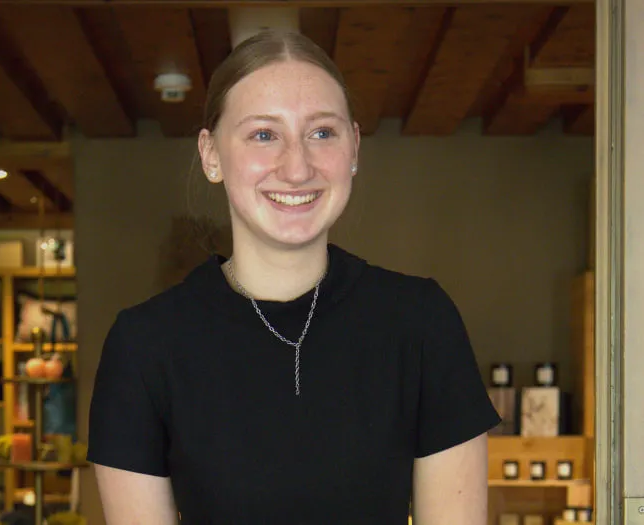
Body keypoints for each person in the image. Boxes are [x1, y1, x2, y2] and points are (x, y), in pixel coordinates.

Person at [87, 29, 500, 525]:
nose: (297, 167)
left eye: (322, 133)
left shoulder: (421, 323)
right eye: (264, 134)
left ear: (353, 149)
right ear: (211, 155)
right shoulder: (144, 346)